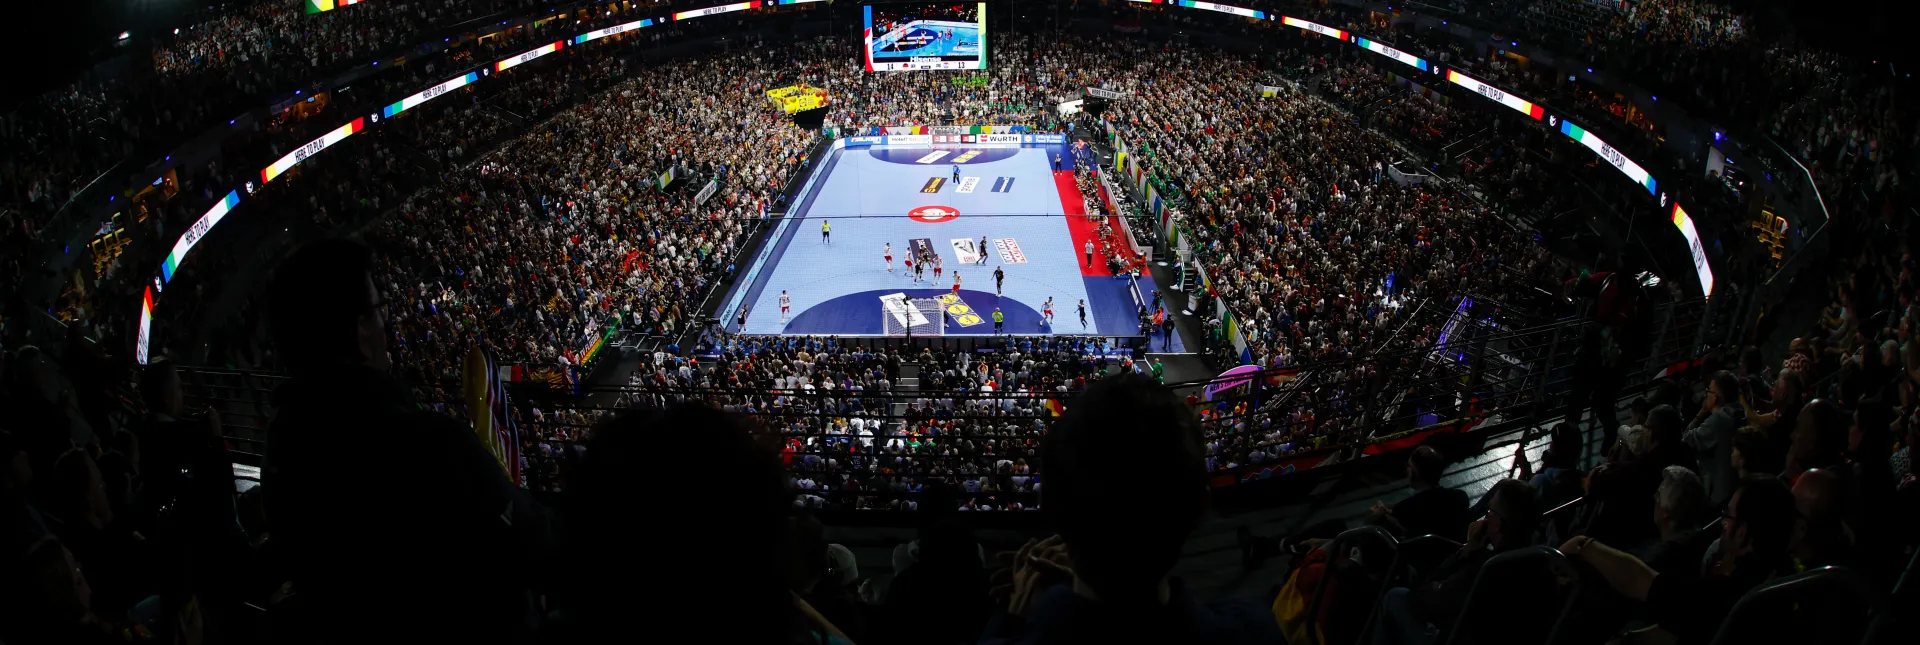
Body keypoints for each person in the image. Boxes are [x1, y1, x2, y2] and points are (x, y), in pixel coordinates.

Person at [262, 239, 548, 644]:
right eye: (380, 310)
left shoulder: (282, 457)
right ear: (360, 329)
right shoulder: (428, 445)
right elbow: (532, 541)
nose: (387, 324)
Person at [980, 375, 1282, 644]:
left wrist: (1011, 620)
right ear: (1201, 507)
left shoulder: (1039, 614)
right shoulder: (1260, 630)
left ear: (1047, 506)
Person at [1560, 475, 1797, 645]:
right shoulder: (1777, 578)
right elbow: (1685, 624)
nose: (1723, 524)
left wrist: (1584, 545)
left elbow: (1639, 580)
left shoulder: (1731, 593)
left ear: (1743, 533)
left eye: (1728, 516)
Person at [1372, 479, 1541, 645]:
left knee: (1395, 597)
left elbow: (1425, 599)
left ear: (1498, 524)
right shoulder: (1540, 562)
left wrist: (1466, 552)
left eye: (1489, 512)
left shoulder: (1487, 571)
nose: (1485, 518)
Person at [1368, 445, 1469, 542]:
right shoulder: (1460, 497)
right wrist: (1387, 512)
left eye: (1409, 466)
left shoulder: (1406, 508)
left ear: (1414, 472)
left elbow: (1403, 520)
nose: (1407, 470)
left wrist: (1383, 514)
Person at [1686, 371, 1746, 506]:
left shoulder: (1718, 421)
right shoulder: (1740, 412)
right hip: (1733, 485)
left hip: (1718, 494)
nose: (1705, 395)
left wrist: (1701, 413)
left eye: (1708, 391)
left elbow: (1687, 439)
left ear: (1715, 398)